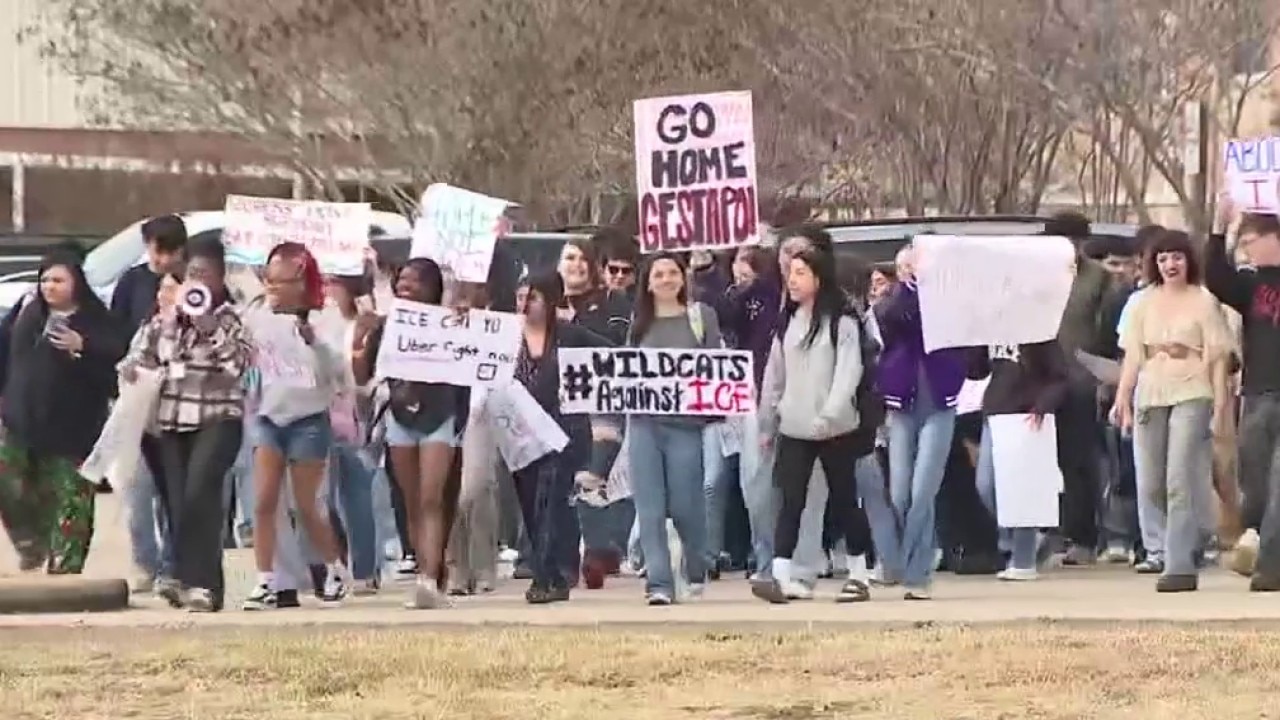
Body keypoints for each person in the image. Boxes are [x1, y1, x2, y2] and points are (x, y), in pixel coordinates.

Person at [122, 239, 250, 611]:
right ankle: (187, 580)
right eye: (192, 274)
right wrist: (135, 368)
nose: (197, 281)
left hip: (217, 418)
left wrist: (208, 325)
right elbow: (136, 359)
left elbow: (238, 367)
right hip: (172, 423)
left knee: (200, 494)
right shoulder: (164, 319)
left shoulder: (231, 317)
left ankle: (203, 585)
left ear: (221, 278)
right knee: (177, 504)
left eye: (206, 275)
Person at [755, 248, 874, 604]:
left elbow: (848, 372)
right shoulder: (787, 322)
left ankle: (858, 574)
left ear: (819, 277)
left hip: (835, 428)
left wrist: (830, 414)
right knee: (790, 500)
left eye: (801, 272)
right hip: (794, 426)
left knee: (844, 500)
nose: (792, 280)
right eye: (790, 273)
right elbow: (774, 376)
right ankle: (780, 574)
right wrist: (767, 422)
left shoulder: (843, 323)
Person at [1114, 229, 1230, 592]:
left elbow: (1219, 357)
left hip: (1192, 390)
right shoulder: (1142, 302)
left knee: (1180, 477)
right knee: (1150, 480)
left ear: (1188, 260)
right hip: (1151, 391)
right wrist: (1123, 397)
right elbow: (1133, 354)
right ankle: (1161, 547)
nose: (1170, 264)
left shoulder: (1204, 301)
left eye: (1176, 257)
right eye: (1163, 259)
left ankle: (1179, 564)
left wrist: (1221, 404)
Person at [352, 257, 470, 609]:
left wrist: (466, 320)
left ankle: (430, 578)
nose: (406, 285)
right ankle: (425, 571)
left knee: (433, 497)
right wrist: (361, 337)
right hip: (401, 417)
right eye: (402, 279)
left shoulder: (450, 322)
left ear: (432, 287)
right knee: (413, 501)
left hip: (440, 414)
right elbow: (362, 377)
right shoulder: (386, 326)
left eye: (415, 280)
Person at [242, 243, 353, 610]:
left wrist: (314, 341)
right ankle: (266, 579)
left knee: (307, 506)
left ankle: (335, 568)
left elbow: (338, 372)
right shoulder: (257, 314)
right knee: (263, 501)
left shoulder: (324, 317)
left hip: (307, 418)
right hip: (269, 417)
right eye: (269, 279)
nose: (273, 288)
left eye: (282, 281)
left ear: (301, 282)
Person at [0, 251, 127, 573]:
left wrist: (82, 348)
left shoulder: (97, 322)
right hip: (21, 421)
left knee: (72, 500)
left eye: (58, 280)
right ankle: (30, 541)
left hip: (74, 430)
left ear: (77, 284)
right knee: (11, 481)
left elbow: (116, 374)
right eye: (44, 280)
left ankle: (65, 573)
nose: (49, 287)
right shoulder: (27, 314)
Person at [510, 271, 613, 603]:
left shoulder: (571, 336)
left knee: (553, 501)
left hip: (564, 432)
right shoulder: (505, 337)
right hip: (520, 435)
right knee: (530, 506)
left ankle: (551, 575)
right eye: (521, 296)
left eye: (534, 297)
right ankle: (548, 568)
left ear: (551, 301)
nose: (525, 305)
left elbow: (613, 359)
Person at [874, 244, 968, 600]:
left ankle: (918, 574)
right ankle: (896, 561)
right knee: (899, 491)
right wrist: (909, 285)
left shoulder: (946, 299)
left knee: (922, 490)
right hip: (902, 404)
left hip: (940, 402)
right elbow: (892, 317)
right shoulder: (894, 299)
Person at [628, 251, 722, 605]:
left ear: (683, 278)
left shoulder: (701, 318)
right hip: (644, 425)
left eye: (672, 273)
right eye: (659, 274)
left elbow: (719, 366)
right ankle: (659, 583)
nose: (666, 279)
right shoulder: (639, 323)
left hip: (686, 425)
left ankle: (695, 567)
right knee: (649, 509)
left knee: (687, 506)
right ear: (648, 284)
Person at [1205, 204, 1280, 590]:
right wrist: (1220, 229)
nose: (1247, 249)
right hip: (1258, 390)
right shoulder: (1252, 285)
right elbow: (1215, 277)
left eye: (1252, 241)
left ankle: (1270, 567)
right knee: (1256, 482)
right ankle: (1258, 543)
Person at [968, 339, 1068, 581]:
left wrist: (1043, 405)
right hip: (995, 413)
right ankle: (1020, 540)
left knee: (1021, 490)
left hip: (1026, 415)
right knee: (986, 485)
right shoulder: (993, 328)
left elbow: (1060, 377)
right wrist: (974, 346)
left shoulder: (1038, 332)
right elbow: (977, 370)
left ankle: (1023, 558)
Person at [1046, 212, 1113, 565]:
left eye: (1072, 241)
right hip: (1038, 383)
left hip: (1080, 382)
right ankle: (1046, 535)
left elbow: (1107, 333)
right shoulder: (1035, 276)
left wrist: (1103, 379)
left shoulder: (1100, 279)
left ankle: (1083, 537)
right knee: (1039, 463)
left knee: (1078, 462)